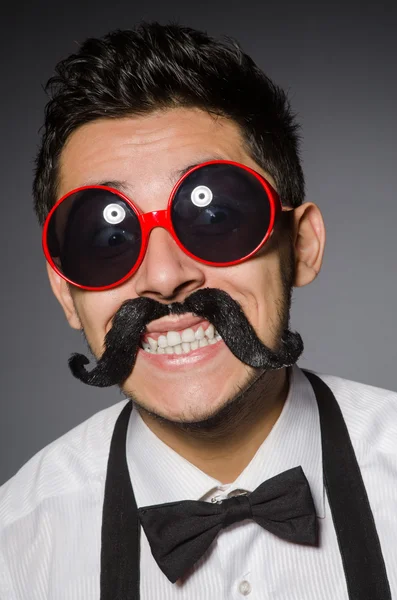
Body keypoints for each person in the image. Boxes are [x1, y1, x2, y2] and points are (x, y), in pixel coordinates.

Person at [0, 21, 396, 600]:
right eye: (107, 240)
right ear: (65, 292)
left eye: (216, 218)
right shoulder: (15, 552)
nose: (163, 277)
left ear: (302, 247)